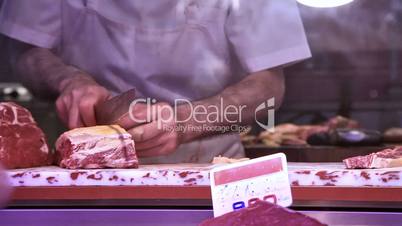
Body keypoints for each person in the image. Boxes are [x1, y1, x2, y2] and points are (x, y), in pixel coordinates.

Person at [0, 0, 310, 163]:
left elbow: (268, 84)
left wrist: (186, 122)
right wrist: (68, 80)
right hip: (83, 164)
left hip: (208, 165)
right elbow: (25, 49)